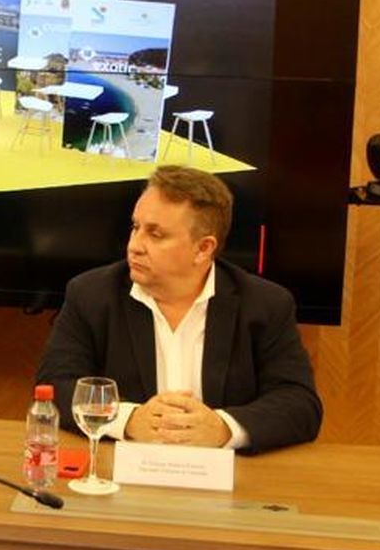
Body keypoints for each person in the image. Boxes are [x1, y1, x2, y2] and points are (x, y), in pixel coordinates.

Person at [35, 165, 322, 453]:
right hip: (121, 474)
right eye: (135, 227)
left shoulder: (265, 305)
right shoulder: (92, 295)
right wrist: (129, 419)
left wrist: (222, 428)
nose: (134, 246)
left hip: (229, 480)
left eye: (155, 234)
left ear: (203, 248)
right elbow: (55, 387)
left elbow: (299, 404)